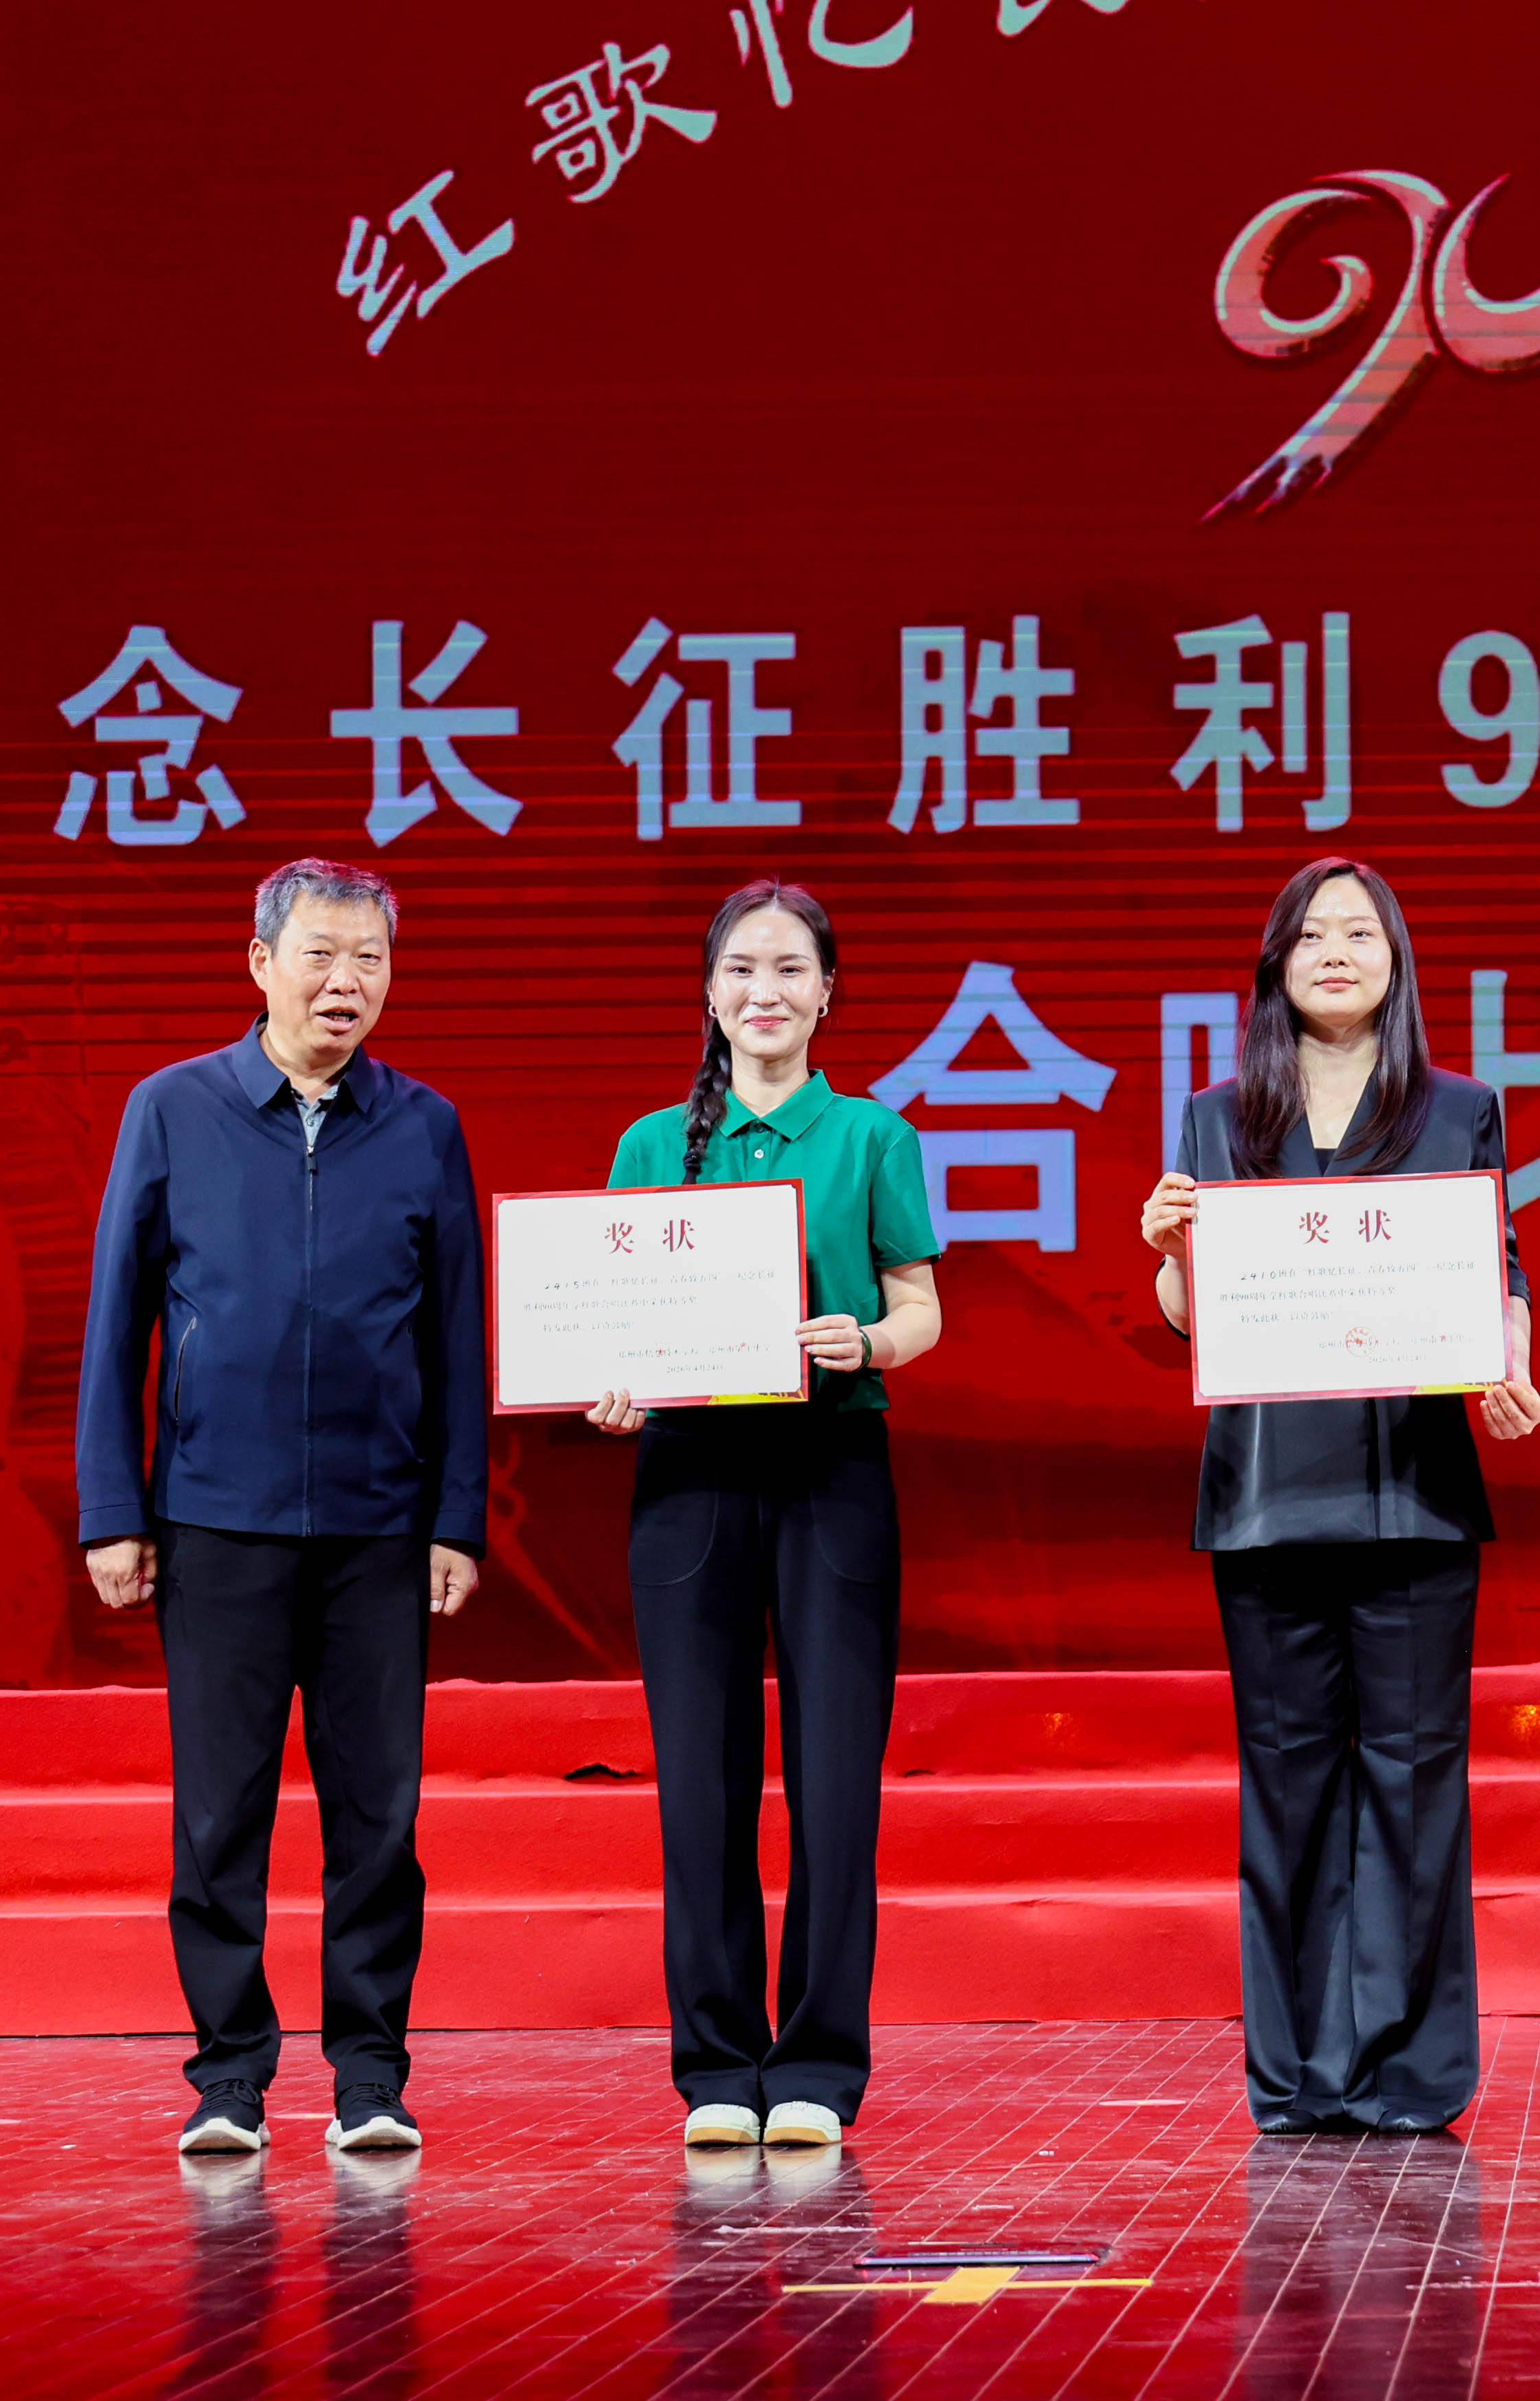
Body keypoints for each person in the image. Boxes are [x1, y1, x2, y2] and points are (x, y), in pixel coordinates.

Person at [76, 858, 485, 2158]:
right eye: (320, 954)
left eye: (369, 958)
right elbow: (116, 1322)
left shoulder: (423, 1125)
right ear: (260, 964)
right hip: (216, 1518)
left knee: (379, 1819)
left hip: (379, 1529)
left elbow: (458, 1337)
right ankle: (229, 2081)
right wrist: (112, 1509)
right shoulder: (172, 1110)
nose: (344, 981)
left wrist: (456, 1517)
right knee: (219, 1816)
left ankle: (371, 2078)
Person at [1138, 857, 1540, 2135]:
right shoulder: (1217, 1118)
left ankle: (1411, 2070)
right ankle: (1300, 2073)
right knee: (1289, 1783)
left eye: (1360, 933)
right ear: (1276, 964)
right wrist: (1169, 1252)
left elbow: (1498, 1273)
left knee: (1417, 1783)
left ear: (1395, 961)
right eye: (1311, 934)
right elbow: (1192, 1316)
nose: (1335, 952)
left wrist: (1509, 1367)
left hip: (1413, 1490)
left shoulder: (1459, 1109)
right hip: (1266, 1497)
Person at [587, 880, 942, 2152]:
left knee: (836, 1784)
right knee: (701, 1784)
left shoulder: (873, 1137)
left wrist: (868, 1341)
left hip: (831, 1468)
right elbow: (611, 1324)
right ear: (710, 992)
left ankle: (819, 2068)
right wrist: (614, 1390)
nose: (766, 992)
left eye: (792, 969)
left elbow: (921, 1309)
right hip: (688, 1477)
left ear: (828, 993)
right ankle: (717, 2069)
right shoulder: (650, 1146)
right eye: (743, 969)